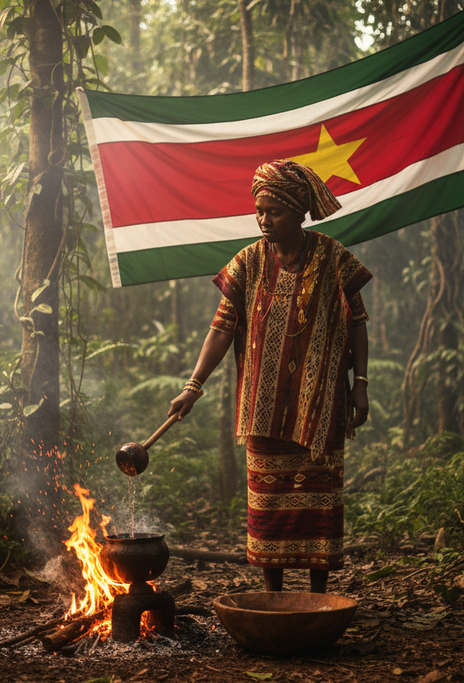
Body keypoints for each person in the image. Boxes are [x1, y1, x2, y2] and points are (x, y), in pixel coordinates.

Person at [169, 159, 371, 594]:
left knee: (319, 504)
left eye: (273, 212)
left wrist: (361, 386)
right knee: (269, 508)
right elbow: (221, 328)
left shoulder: (333, 257)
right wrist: (193, 385)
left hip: (320, 407)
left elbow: (358, 321)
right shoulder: (247, 263)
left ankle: (319, 599)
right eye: (259, 211)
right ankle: (273, 596)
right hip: (264, 409)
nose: (264, 220)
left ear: (298, 211)